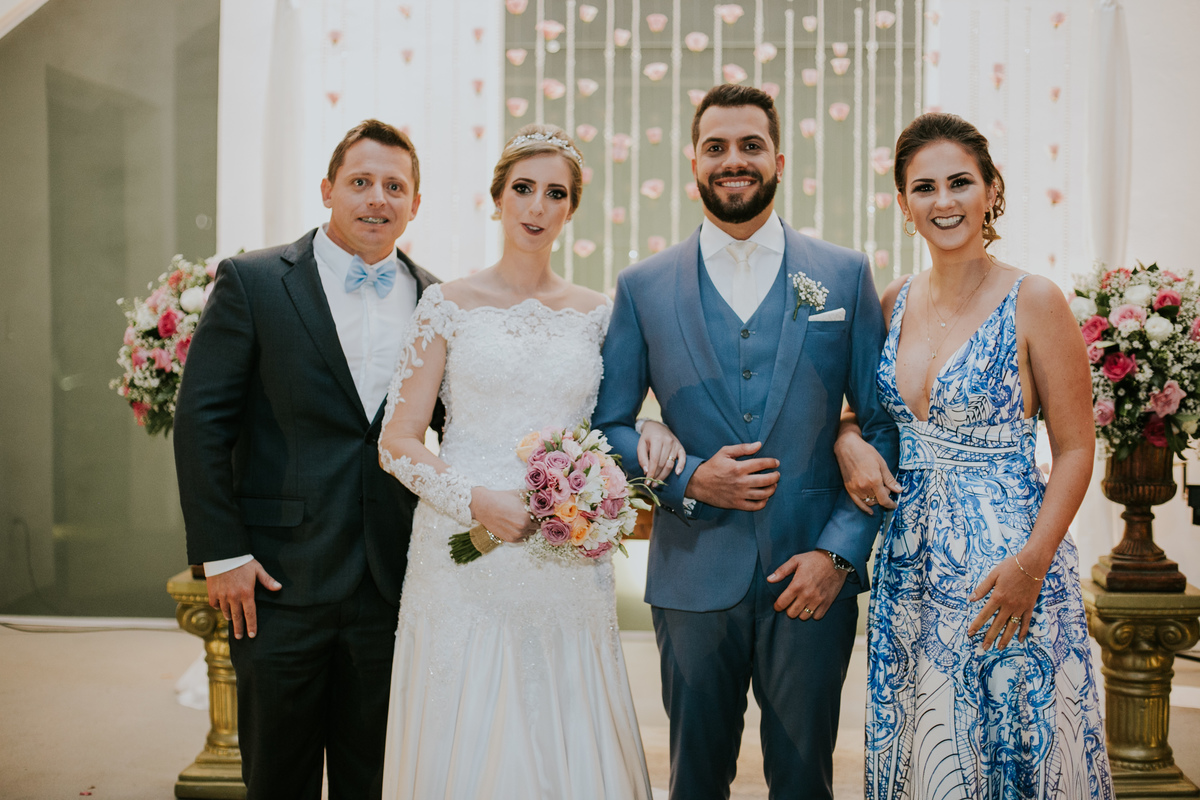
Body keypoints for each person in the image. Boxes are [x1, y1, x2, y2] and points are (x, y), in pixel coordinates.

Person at [591, 84, 900, 800]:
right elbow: (606, 428)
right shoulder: (642, 286)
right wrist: (687, 479)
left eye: (751, 145)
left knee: (805, 780)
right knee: (695, 780)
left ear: (779, 160)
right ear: (694, 163)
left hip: (812, 575)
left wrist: (839, 554)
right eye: (717, 147)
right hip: (692, 574)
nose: (734, 160)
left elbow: (882, 425)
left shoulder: (844, 274)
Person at [376, 124, 681, 799]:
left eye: (556, 193)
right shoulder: (447, 305)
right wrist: (476, 501)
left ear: (572, 208)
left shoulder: (598, 314)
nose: (537, 207)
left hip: (564, 553)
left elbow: (616, 417)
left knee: (560, 714)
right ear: (497, 199)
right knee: (468, 716)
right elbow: (396, 442)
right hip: (462, 547)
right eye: (523, 188)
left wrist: (652, 425)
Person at [833, 112, 1113, 799]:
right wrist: (847, 441)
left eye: (960, 182)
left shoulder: (1034, 299)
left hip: (1007, 571)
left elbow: (1076, 447)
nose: (944, 201)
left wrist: (1032, 565)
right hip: (910, 568)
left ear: (991, 190)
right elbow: (856, 411)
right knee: (927, 746)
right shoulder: (892, 300)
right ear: (904, 205)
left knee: (1010, 746)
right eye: (924, 187)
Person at [174, 119, 441, 799]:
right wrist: (223, 554)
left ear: (415, 204)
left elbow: (459, 427)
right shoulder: (255, 281)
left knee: (374, 777)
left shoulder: (438, 300)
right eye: (360, 182)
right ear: (327, 190)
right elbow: (201, 423)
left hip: (391, 580)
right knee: (278, 776)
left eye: (394, 187)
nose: (377, 198)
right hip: (275, 580)